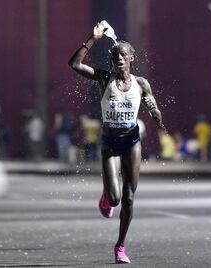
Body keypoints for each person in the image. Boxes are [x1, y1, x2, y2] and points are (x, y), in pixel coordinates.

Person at [68, 23, 163, 264]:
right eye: (115, 55)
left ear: (131, 58)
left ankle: (120, 246)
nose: (119, 58)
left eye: (123, 55)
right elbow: (75, 64)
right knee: (114, 199)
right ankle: (105, 198)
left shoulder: (141, 84)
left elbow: (152, 104)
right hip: (110, 143)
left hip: (131, 142)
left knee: (129, 197)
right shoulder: (104, 78)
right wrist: (92, 38)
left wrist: (155, 113)